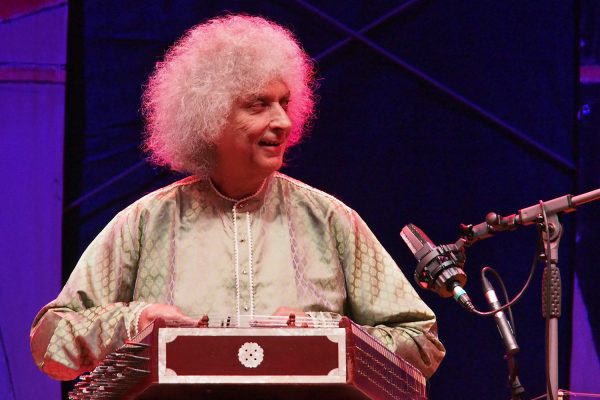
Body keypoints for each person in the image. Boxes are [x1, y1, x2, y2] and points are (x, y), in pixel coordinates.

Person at [30, 14, 445, 382]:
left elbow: (421, 344)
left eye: (284, 102)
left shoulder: (331, 219)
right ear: (209, 117)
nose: (282, 121)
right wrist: (135, 321)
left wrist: (323, 331)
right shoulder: (146, 222)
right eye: (259, 105)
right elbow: (49, 344)